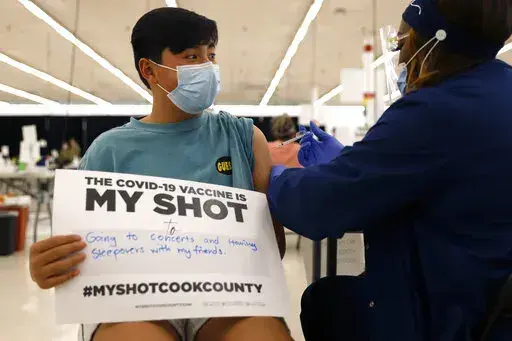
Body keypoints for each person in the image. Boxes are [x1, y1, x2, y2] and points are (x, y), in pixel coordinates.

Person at [28, 8, 290, 341]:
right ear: (149, 69)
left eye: (211, 55)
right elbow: (77, 253)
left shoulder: (242, 137)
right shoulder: (109, 150)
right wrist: (49, 265)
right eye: (191, 56)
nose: (207, 68)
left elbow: (273, 247)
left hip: (227, 296)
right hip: (132, 299)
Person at [267, 0, 512, 340]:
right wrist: (351, 164)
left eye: (402, 43)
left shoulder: (435, 109)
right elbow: (435, 174)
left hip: (453, 311)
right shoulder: (498, 90)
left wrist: (273, 175)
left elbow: (320, 207)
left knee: (325, 303)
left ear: (431, 43)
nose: (400, 57)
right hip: (492, 296)